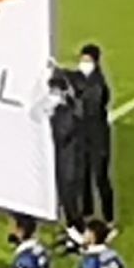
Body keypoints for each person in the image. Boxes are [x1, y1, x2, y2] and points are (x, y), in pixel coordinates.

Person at [71, 44, 114, 224]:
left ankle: (108, 217)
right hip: (82, 136)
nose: (83, 63)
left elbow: (92, 106)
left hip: (98, 137)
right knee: (82, 177)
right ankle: (86, 212)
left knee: (100, 178)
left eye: (87, 60)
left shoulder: (98, 83)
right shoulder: (78, 79)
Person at [47, 67, 87, 233]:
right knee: (66, 200)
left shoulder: (68, 113)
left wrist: (49, 120)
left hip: (68, 165)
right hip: (67, 163)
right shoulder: (67, 108)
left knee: (69, 200)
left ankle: (77, 231)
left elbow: (61, 134)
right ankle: (74, 230)